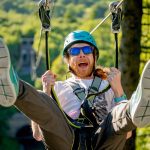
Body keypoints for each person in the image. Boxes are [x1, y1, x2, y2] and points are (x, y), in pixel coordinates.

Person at [0, 30, 150, 150]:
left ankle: (133, 108)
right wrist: (46, 92)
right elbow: (38, 135)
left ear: (94, 56)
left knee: (118, 115)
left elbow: (127, 133)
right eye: (75, 52)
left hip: (102, 141)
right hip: (67, 141)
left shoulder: (108, 86)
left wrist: (118, 89)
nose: (81, 54)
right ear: (68, 60)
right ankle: (17, 89)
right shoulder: (58, 88)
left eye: (86, 50)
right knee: (43, 100)